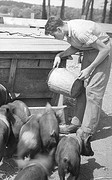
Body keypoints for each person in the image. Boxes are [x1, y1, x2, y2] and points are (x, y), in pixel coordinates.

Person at [45, 16, 112, 155]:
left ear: (58, 29)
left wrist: (89, 69)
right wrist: (60, 54)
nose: (54, 37)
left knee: (93, 92)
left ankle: (86, 132)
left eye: (53, 34)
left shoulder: (79, 31)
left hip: (103, 52)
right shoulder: (68, 33)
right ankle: (76, 124)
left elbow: (104, 49)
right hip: (90, 50)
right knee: (81, 87)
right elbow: (76, 46)